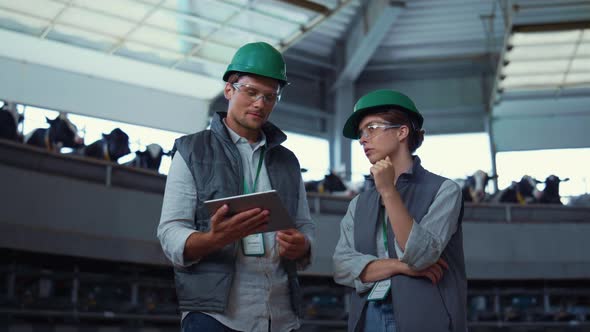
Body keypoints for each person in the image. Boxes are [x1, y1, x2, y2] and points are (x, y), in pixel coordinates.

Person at [157, 41, 315, 332]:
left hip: (280, 317)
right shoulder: (192, 150)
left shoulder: (288, 162)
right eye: (251, 92)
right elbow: (170, 232)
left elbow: (304, 227)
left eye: (270, 96)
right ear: (229, 89)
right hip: (215, 317)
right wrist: (213, 239)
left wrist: (302, 245)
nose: (260, 103)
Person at [332, 89, 466, 332]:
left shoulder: (445, 190)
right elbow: (341, 267)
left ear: (402, 131)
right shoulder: (358, 203)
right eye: (361, 133)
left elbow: (421, 256)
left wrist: (389, 192)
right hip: (368, 317)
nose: (363, 139)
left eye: (371, 128)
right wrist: (400, 266)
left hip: (426, 317)